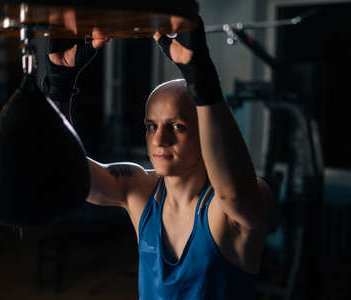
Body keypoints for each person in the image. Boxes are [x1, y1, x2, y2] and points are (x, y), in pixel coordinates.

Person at [45, 16, 273, 300]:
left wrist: (201, 78)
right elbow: (65, 169)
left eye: (177, 127)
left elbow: (234, 194)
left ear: (206, 133)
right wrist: (60, 81)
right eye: (151, 126)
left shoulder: (228, 208)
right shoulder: (141, 192)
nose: (160, 139)